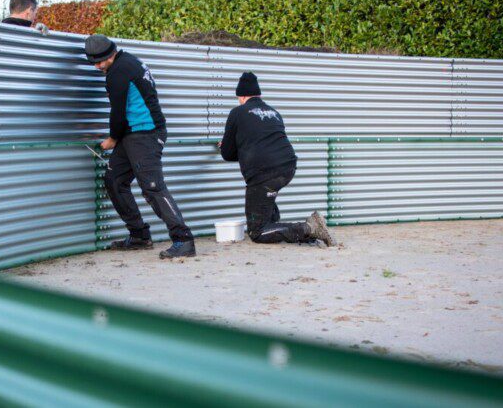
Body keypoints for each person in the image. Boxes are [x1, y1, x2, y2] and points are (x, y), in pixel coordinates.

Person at [84, 34, 196, 259]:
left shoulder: (118, 72)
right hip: (132, 133)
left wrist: (112, 139)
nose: (97, 66)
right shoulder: (129, 62)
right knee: (114, 180)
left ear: (111, 54)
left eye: (100, 62)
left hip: (146, 133)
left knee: (153, 187)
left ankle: (183, 240)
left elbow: (118, 113)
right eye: (93, 62)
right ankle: (139, 235)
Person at [219, 72, 337, 246]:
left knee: (257, 231)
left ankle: (309, 228)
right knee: (265, 198)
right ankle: (286, 229)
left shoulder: (237, 113)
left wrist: (226, 146)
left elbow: (227, 154)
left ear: (241, 96)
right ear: (258, 94)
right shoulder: (274, 112)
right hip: (288, 166)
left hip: (264, 172)